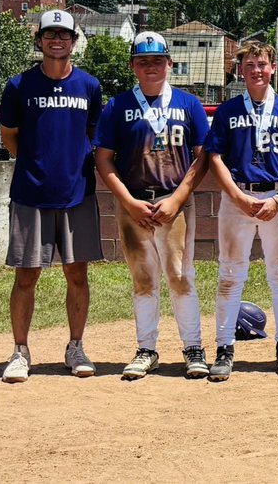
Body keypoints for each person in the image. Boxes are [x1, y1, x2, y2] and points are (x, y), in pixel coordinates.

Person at [94, 31, 211, 380]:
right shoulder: (117, 106)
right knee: (143, 280)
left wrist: (177, 200)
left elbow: (201, 158)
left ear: (169, 63)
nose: (151, 67)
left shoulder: (188, 104)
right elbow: (103, 159)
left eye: (157, 61)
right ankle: (146, 348)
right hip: (135, 204)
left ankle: (193, 348)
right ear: (133, 66)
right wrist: (127, 201)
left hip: (173, 203)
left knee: (179, 276)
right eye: (143, 61)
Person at [0, 9, 104, 382]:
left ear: (74, 42)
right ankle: (20, 351)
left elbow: (94, 135)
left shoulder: (89, 86)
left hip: (76, 193)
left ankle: (75, 347)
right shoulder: (19, 86)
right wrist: (35, 164)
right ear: (39, 41)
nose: (56, 40)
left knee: (77, 274)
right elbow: (9, 136)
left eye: (64, 35)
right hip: (31, 193)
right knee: (26, 276)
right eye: (49, 35)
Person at [204, 41, 278, 381]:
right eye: (250, 65)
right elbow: (215, 157)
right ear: (240, 70)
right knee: (230, 274)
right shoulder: (229, 110)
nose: (257, 70)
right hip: (239, 198)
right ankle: (223, 348)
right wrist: (235, 195)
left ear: (273, 68)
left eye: (262, 64)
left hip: (277, 199)